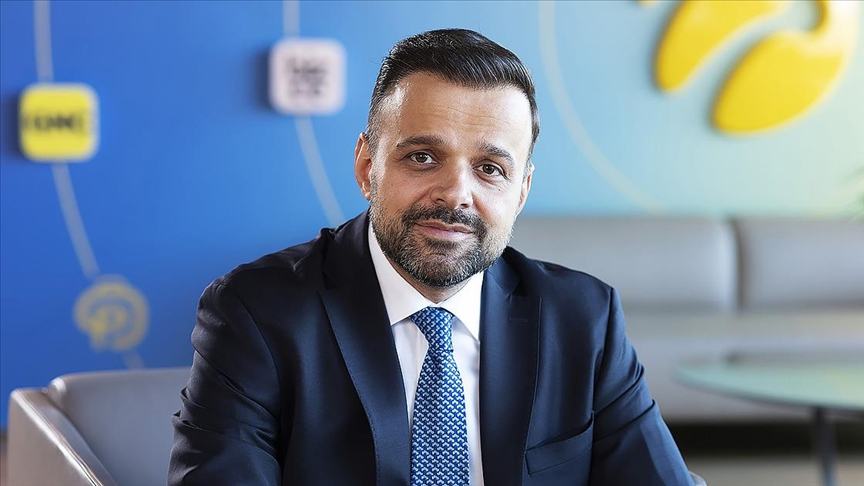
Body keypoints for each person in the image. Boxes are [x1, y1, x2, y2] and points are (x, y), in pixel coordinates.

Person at [169, 28, 693, 485]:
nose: (456, 194)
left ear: (522, 191)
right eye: (423, 157)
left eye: (490, 169)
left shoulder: (584, 318)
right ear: (367, 166)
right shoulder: (256, 313)